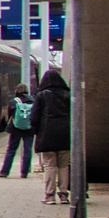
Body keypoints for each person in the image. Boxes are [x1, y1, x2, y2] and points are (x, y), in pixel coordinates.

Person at [27, 68, 71, 205]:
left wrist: (36, 131)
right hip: (65, 135)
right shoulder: (68, 95)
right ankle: (64, 195)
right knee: (64, 166)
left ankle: (50, 196)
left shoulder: (41, 96)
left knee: (50, 166)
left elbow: (34, 117)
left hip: (47, 135)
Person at [0, 83, 35, 178]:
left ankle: (4, 171)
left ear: (16, 91)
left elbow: (10, 116)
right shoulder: (33, 101)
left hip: (15, 129)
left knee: (11, 150)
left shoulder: (14, 101)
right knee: (27, 150)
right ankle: (24, 173)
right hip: (29, 128)